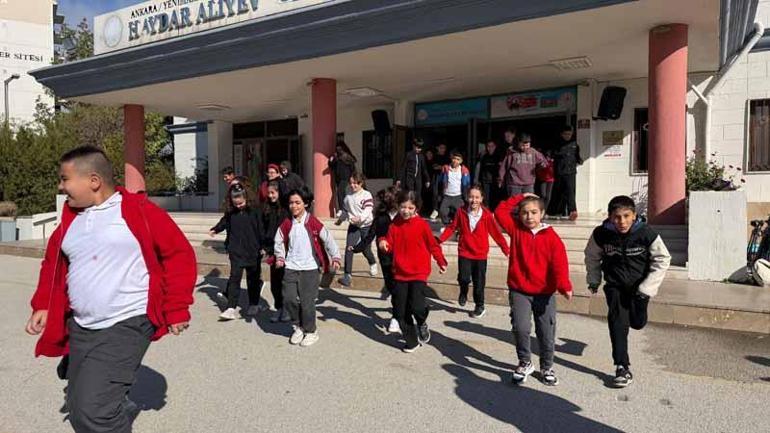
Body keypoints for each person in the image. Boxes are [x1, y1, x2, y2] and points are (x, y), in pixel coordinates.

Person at [25, 146, 196, 433]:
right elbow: (52, 263)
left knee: (94, 414)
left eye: (65, 179)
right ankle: (119, 405)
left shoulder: (138, 212)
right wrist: (43, 304)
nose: (60, 186)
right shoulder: (71, 219)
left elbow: (179, 255)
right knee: (79, 406)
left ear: (93, 181)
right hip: (81, 326)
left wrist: (176, 307)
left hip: (127, 322)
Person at [584, 195, 671, 388]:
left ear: (634, 216)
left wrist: (647, 288)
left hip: (640, 289)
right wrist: (593, 279)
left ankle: (639, 312)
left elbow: (663, 259)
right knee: (617, 323)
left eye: (626, 216)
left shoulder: (646, 233)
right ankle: (622, 367)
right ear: (609, 217)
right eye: (616, 217)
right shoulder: (601, 234)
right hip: (615, 286)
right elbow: (591, 257)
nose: (621, 222)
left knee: (637, 323)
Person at [495, 193, 572, 386]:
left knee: (546, 331)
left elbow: (559, 264)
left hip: (544, 293)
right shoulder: (516, 230)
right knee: (520, 327)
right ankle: (525, 362)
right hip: (519, 289)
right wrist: (521, 196)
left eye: (534, 212)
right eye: (524, 213)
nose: (529, 217)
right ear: (519, 215)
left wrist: (564, 286)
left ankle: (546, 366)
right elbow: (499, 212)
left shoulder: (552, 238)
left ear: (542, 213)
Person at [378, 190, 447, 353]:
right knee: (401, 312)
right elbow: (389, 241)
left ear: (416, 208)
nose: (406, 211)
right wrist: (383, 242)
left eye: (410, 208)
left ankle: (422, 322)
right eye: (403, 207)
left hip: (418, 272)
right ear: (398, 206)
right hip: (400, 273)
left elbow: (433, 245)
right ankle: (412, 342)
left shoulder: (422, 225)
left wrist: (441, 261)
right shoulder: (395, 224)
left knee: (417, 307)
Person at [274, 187, 341, 347]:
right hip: (291, 266)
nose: (294, 206)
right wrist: (280, 257)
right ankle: (298, 326)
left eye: (298, 202)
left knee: (307, 302)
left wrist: (335, 256)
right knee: (289, 298)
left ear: (305, 204)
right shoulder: (287, 223)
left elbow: (328, 238)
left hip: (310, 268)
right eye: (291, 203)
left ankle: (311, 331)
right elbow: (278, 240)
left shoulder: (312, 222)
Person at [439, 185, 510, 318]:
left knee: (479, 282)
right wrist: (439, 240)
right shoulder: (461, 212)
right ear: (467, 198)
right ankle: (463, 291)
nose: (474, 200)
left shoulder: (487, 215)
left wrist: (506, 250)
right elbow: (452, 228)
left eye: (477, 197)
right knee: (464, 278)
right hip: (465, 251)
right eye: (471, 197)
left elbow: (497, 234)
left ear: (482, 199)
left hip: (480, 254)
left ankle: (479, 305)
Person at [210, 183, 265, 321]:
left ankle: (254, 303)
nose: (238, 206)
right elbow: (224, 222)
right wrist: (216, 229)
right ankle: (231, 308)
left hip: (253, 250)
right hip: (235, 250)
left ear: (246, 198)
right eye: (236, 204)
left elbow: (261, 229)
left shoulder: (255, 211)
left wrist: (264, 246)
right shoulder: (231, 212)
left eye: (241, 203)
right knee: (234, 279)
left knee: (253, 279)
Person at [351, 186, 400, 333]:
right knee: (392, 286)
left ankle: (396, 317)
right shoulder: (380, 217)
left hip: (402, 257)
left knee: (399, 289)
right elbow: (370, 235)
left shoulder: (404, 215)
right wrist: (357, 248)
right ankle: (398, 312)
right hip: (385, 258)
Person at [338, 172, 378, 287]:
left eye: (355, 183)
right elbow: (345, 210)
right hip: (354, 226)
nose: (353, 185)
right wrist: (340, 219)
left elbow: (368, 209)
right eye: (351, 183)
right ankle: (347, 275)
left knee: (365, 249)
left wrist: (359, 218)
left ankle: (372, 263)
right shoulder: (347, 196)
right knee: (349, 248)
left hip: (366, 225)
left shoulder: (366, 195)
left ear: (361, 183)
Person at [260, 181, 291, 323]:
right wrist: (265, 247)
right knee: (275, 283)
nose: (271, 195)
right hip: (273, 250)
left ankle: (287, 309)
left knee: (285, 282)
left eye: (273, 192)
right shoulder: (266, 209)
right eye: (269, 193)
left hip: (286, 250)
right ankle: (279, 307)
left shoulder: (286, 210)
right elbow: (266, 230)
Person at [498, 133, 547, 197]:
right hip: (514, 185)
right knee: (515, 205)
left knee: (527, 205)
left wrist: (542, 164)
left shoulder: (533, 152)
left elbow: (543, 161)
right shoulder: (511, 153)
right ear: (518, 143)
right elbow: (504, 167)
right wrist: (500, 179)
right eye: (523, 145)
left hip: (529, 185)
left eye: (527, 145)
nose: (525, 147)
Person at [550, 125, 583, 220]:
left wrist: (579, 160)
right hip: (560, 171)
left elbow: (577, 156)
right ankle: (555, 211)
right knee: (558, 192)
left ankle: (572, 211)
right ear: (562, 134)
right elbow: (552, 155)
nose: (568, 136)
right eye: (566, 134)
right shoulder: (557, 144)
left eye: (570, 134)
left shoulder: (574, 144)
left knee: (570, 191)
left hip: (571, 171)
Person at [437, 151, 471, 225]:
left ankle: (457, 226)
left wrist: (466, 195)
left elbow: (467, 184)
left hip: (458, 196)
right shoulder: (446, 168)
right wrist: (440, 193)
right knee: (442, 211)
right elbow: (440, 181)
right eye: (454, 158)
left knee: (461, 213)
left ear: (461, 161)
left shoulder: (464, 170)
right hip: (447, 195)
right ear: (451, 158)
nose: (455, 161)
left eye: (458, 159)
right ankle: (447, 224)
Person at [328, 141, 357, 218]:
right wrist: (331, 160)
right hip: (339, 179)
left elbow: (352, 168)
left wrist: (353, 177)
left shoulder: (347, 157)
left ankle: (342, 210)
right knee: (343, 194)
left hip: (345, 178)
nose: (338, 149)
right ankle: (345, 210)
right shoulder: (336, 157)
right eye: (337, 148)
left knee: (340, 192)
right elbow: (332, 166)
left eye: (339, 148)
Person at [477, 140, 503, 210]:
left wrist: (500, 179)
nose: (490, 148)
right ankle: (487, 212)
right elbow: (481, 169)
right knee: (486, 198)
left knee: (495, 199)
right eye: (488, 146)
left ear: (495, 147)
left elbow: (501, 169)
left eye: (492, 146)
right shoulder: (484, 157)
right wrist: (479, 180)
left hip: (495, 181)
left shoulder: (498, 156)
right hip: (485, 180)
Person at [429, 143, 450, 219]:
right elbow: (434, 167)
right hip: (436, 177)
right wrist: (443, 167)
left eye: (444, 148)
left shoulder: (447, 157)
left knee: (443, 194)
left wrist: (441, 167)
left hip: (445, 177)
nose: (442, 149)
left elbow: (448, 167)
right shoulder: (435, 156)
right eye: (441, 148)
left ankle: (442, 211)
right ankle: (435, 209)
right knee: (435, 194)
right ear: (438, 148)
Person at [535, 148, 555, 215]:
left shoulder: (552, 160)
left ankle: (544, 211)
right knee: (543, 195)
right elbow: (537, 169)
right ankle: (539, 209)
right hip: (543, 179)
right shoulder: (541, 159)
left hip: (551, 179)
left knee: (548, 197)